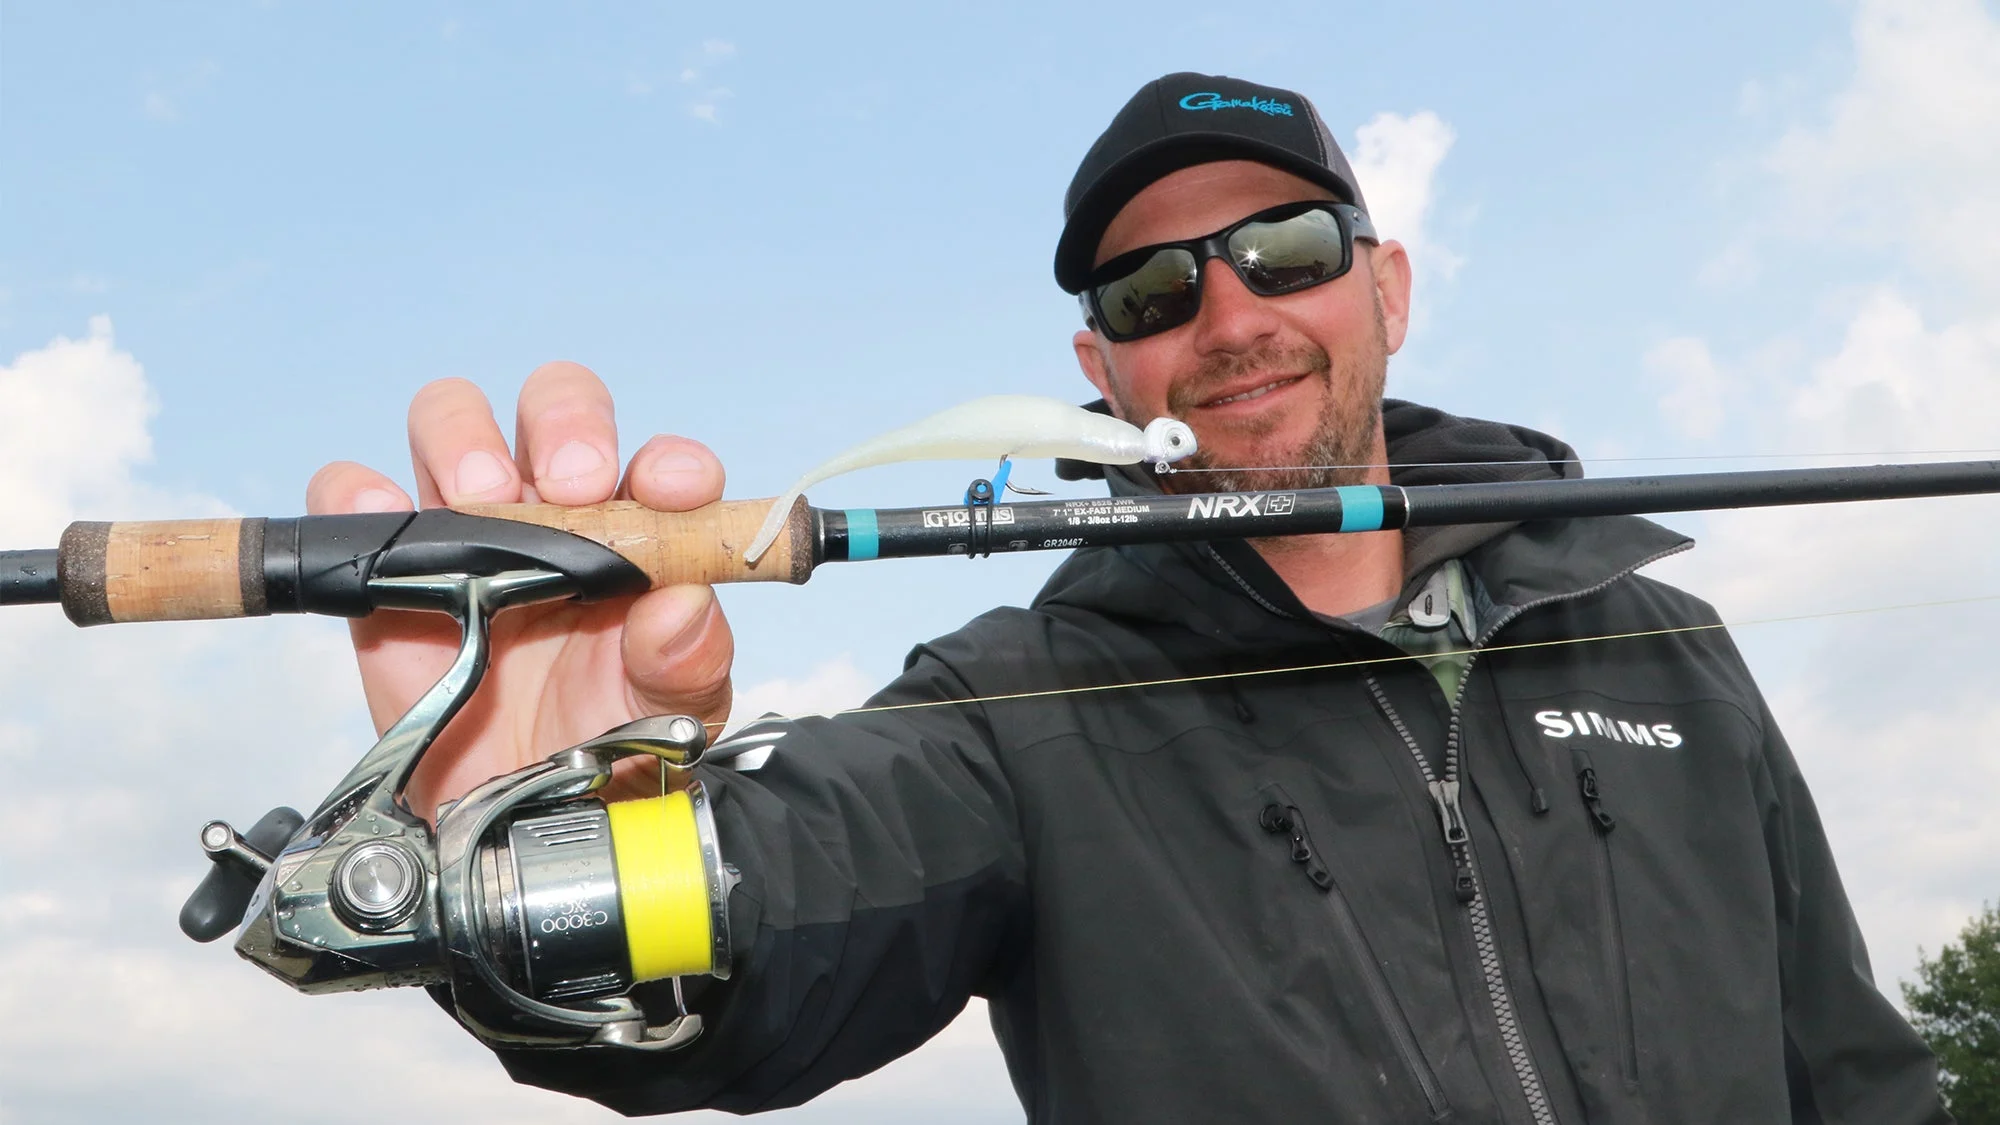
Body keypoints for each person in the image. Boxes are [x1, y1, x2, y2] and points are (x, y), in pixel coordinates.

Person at [308, 73, 1949, 1123]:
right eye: (1154, 288)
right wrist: (538, 830)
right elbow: (742, 970)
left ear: (1385, 286)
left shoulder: (1660, 641)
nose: (1229, 310)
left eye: (1287, 247)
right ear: (1103, 369)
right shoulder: (1009, 714)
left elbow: (1856, 1073)